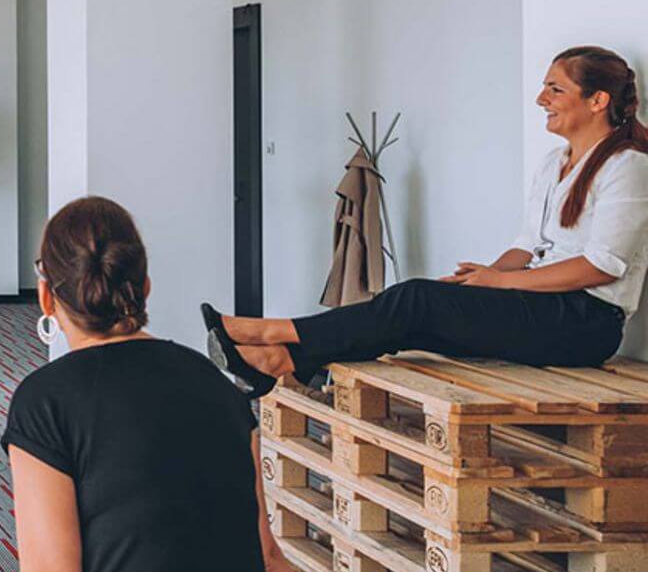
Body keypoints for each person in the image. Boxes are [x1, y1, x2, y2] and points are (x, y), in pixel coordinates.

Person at [0, 196, 421, 572]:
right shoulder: (220, 388)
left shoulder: (46, 401)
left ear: (47, 297)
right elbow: (266, 559)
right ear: (145, 287)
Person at [206, 46, 648, 397]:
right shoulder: (555, 163)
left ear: (598, 101)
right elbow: (528, 244)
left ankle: (269, 332)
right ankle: (278, 363)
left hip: (586, 323)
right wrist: (483, 278)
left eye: (555, 89)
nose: (541, 99)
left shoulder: (628, 166)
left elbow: (601, 267)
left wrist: (500, 284)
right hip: (544, 307)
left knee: (416, 299)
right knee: (416, 310)